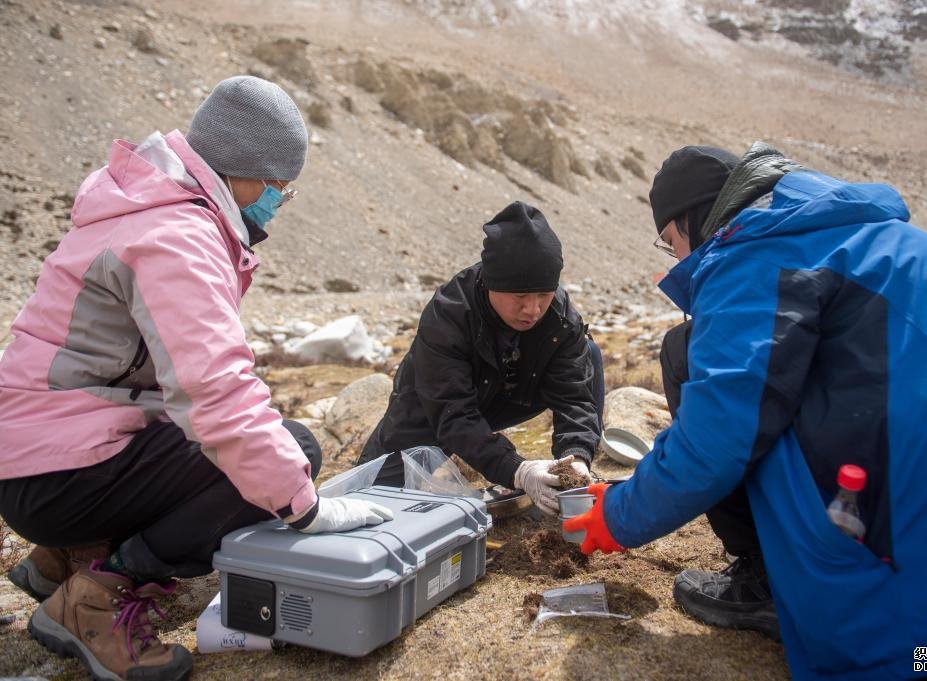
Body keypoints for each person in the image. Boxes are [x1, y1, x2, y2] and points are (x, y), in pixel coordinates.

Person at [565, 142, 927, 680]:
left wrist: (616, 515)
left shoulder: (751, 253)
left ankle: (777, 589)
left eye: (672, 244)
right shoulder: (845, 229)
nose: (680, 263)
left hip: (924, 513)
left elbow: (718, 436)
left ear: (695, 219)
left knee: (899, 659)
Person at [0, 76, 393, 681]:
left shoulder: (141, 205)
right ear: (244, 171)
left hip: (35, 458)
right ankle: (97, 596)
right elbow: (217, 394)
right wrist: (306, 507)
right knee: (292, 451)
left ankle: (63, 558)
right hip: (56, 476)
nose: (278, 203)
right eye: (279, 189)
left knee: (227, 451)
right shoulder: (177, 235)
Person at [357, 201, 603, 515]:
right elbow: (454, 414)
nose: (533, 309)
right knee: (373, 496)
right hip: (434, 405)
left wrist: (577, 457)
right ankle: (506, 476)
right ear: (491, 283)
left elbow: (574, 398)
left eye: (543, 294)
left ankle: (575, 479)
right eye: (520, 297)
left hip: (512, 391)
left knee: (588, 355)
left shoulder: (560, 317)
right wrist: (517, 469)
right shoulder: (448, 315)